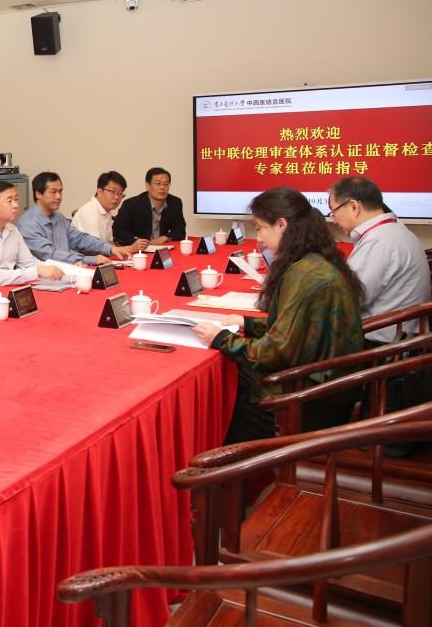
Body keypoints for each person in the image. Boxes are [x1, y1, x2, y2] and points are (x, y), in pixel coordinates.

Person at [192, 186, 365, 443]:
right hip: (331, 389)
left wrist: (221, 339)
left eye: (260, 228)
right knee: (234, 371)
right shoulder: (314, 261)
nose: (259, 238)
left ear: (282, 225)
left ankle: (231, 457)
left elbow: (276, 351)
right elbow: (299, 329)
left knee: (225, 381)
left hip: (310, 400)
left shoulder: (304, 274)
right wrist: (248, 324)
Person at [329, 176, 431, 345]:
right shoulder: (396, 230)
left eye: (334, 212)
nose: (334, 219)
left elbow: (348, 299)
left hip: (383, 346)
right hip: (404, 337)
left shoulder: (378, 241)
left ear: (353, 207)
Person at [18, 172, 128, 265]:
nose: (59, 196)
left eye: (60, 191)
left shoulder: (58, 217)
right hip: (42, 277)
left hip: (66, 272)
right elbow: (49, 255)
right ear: (38, 194)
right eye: (53, 192)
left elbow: (80, 239)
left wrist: (111, 249)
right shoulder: (28, 224)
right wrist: (90, 259)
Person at [71, 171, 148, 253]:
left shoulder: (106, 211)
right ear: (99, 191)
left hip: (101, 257)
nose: (117, 197)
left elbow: (110, 244)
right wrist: (130, 249)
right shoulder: (89, 212)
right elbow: (93, 249)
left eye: (120, 193)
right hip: (82, 259)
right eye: (112, 191)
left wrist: (129, 249)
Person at [113, 167, 188, 246]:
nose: (162, 187)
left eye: (166, 184)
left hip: (161, 247)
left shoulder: (175, 202)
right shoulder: (131, 204)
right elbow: (118, 229)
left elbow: (180, 230)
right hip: (137, 249)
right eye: (158, 183)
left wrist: (164, 238)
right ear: (147, 185)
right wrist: (138, 241)